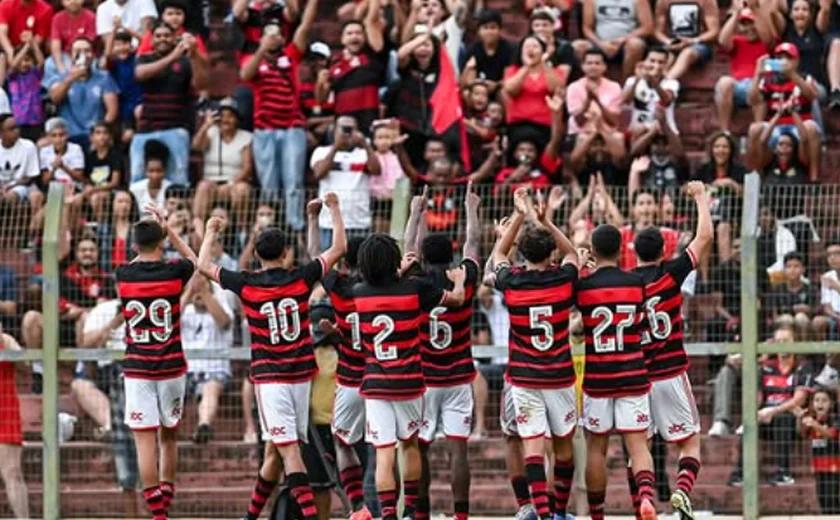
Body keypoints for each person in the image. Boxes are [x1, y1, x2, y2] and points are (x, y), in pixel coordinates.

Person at [196, 192, 347, 520]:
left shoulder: (246, 283)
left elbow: (203, 266)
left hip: (271, 377)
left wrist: (209, 232)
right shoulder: (301, 277)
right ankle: (251, 516)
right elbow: (337, 249)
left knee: (289, 450)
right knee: (275, 453)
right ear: (286, 253)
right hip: (301, 374)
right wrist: (333, 210)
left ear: (257, 256)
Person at [352, 233, 466, 520]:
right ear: (394, 260)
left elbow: (381, 284)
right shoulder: (414, 289)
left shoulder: (359, 292)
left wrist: (395, 271)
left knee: (383, 453)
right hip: (410, 383)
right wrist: (461, 281)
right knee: (410, 445)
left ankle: (389, 513)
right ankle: (412, 511)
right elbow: (457, 299)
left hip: (376, 385)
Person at [492, 187, 580, 520]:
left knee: (531, 444)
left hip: (524, 377)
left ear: (523, 255)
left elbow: (499, 255)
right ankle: (558, 512)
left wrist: (518, 216)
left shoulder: (512, 283)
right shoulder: (563, 279)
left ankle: (540, 513)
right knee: (563, 445)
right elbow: (572, 253)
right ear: (550, 255)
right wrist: (546, 221)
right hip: (559, 375)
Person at [631, 180, 712, 519]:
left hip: (638, 375)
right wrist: (700, 198)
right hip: (672, 371)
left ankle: (646, 498)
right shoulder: (672, 273)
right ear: (663, 251)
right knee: (690, 442)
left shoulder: (625, 282)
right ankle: (680, 491)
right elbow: (704, 237)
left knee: (641, 447)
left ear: (634, 253)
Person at [113, 204, 198, 520]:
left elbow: (137, 258)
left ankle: (158, 515)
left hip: (137, 368)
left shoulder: (124, 274)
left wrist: (153, 236)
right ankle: (167, 499)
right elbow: (195, 261)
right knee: (169, 437)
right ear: (161, 241)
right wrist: (169, 229)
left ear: (135, 245)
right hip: (172, 367)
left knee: (144, 441)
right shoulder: (174, 272)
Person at [403, 184, 481, 520]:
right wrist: (471, 208)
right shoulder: (463, 276)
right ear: (450, 255)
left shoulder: (415, 280)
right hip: (458, 376)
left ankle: (421, 515)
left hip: (424, 378)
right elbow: (474, 244)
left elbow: (408, 248)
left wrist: (414, 213)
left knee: (419, 449)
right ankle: (460, 515)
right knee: (457, 450)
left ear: (423, 257)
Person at [575, 223, 658, 520]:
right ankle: (646, 497)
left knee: (596, 448)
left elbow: (577, 324)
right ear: (623, 249)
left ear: (594, 251)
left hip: (598, 377)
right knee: (637, 445)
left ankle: (597, 514)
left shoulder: (583, 286)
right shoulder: (636, 283)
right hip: (633, 373)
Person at [241, 0, 318, 231]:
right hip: (264, 129)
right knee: (269, 185)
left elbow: (305, 26)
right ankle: (272, 228)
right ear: (261, 37)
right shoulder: (252, 57)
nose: (273, 37)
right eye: (268, 33)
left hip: (292, 128)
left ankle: (294, 228)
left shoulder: (291, 55)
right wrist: (262, 48)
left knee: (293, 182)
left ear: (283, 37)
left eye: (277, 33)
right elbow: (246, 74)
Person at [321, 236, 372, 520]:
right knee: (396, 445)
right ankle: (402, 509)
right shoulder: (383, 287)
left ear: (344, 261)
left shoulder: (339, 287)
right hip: (383, 375)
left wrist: (315, 220)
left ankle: (357, 507)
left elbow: (317, 257)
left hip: (351, 377)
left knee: (342, 440)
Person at [729, 327, 812, 486]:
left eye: (786, 341)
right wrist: (754, 414)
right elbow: (758, 398)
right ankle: (741, 473)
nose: (781, 345)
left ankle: (783, 472)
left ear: (794, 343)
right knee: (750, 423)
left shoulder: (803, 367)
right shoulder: (766, 366)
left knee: (783, 418)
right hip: (766, 417)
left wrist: (772, 411)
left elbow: (799, 400)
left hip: (790, 419)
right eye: (778, 341)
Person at [131, 22, 209, 186]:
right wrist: (173, 56)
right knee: (138, 179)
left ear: (174, 38)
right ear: (152, 40)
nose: (162, 39)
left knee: (177, 180)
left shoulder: (186, 62)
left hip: (176, 128)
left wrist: (194, 54)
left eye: (167, 35)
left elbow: (200, 84)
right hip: (146, 128)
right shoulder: (144, 58)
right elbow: (140, 74)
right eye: (158, 36)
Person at [747, 44, 821, 182]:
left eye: (788, 58)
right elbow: (752, 100)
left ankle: (814, 177)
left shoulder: (805, 77)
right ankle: (754, 178)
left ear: (796, 61)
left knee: (811, 128)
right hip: (775, 126)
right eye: (780, 57)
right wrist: (757, 75)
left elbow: (812, 96)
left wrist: (792, 75)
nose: (783, 61)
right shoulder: (767, 80)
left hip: (799, 125)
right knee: (755, 129)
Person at [311, 115, 381, 246]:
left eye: (351, 129)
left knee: (359, 263)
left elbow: (376, 170)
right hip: (328, 222)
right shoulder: (321, 151)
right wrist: (336, 147)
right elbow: (319, 173)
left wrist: (365, 144)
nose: (347, 133)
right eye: (344, 129)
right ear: (334, 130)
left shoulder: (363, 153)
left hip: (358, 221)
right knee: (329, 263)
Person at [182, 275, 234, 444]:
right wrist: (190, 290)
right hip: (185, 370)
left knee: (210, 388)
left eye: (203, 290)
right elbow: (168, 322)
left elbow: (224, 322)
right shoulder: (185, 311)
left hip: (214, 368)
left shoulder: (221, 305)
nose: (199, 295)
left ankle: (204, 425)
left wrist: (205, 293)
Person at [320, 3, 387, 133]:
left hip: (369, 121)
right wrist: (321, 82)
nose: (354, 36)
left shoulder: (373, 55)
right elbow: (322, 98)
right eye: (349, 33)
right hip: (343, 122)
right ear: (342, 39)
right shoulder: (333, 62)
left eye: (358, 33)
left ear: (365, 37)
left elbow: (371, 20)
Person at [44, 36, 119, 150]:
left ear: (93, 54)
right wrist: (71, 79)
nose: (83, 55)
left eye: (87, 51)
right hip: (68, 137)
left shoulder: (104, 77)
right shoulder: (61, 77)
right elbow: (55, 98)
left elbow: (112, 112)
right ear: (70, 55)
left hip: (94, 135)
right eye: (78, 51)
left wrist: (100, 135)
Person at [191, 98, 253, 228]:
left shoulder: (245, 137)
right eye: (223, 116)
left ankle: (241, 232)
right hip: (211, 183)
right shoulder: (212, 133)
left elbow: (247, 168)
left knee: (241, 190)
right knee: (203, 187)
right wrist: (206, 125)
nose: (226, 120)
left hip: (234, 182)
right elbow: (196, 146)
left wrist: (231, 184)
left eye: (230, 116)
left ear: (237, 119)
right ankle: (197, 230)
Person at [714, 6, 776, 132]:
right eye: (744, 25)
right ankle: (724, 133)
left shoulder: (766, 41)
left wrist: (756, 12)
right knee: (724, 82)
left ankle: (758, 131)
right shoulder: (737, 41)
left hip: (760, 86)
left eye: (751, 24)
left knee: (758, 86)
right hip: (738, 88)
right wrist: (736, 13)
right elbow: (722, 41)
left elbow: (769, 38)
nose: (749, 29)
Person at [691, 131, 745, 268]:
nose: (721, 150)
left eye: (725, 147)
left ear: (731, 150)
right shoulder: (704, 170)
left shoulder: (739, 171)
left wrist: (733, 184)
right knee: (705, 231)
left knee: (723, 227)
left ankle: (725, 273)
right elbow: (687, 188)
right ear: (712, 150)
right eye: (717, 146)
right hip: (707, 216)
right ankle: (704, 281)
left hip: (732, 218)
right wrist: (708, 187)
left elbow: (748, 194)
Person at [502, 34, 564, 150]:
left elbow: (556, 89)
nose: (531, 50)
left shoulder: (554, 71)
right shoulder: (513, 70)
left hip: (544, 124)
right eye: (527, 47)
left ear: (543, 51)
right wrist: (527, 67)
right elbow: (510, 90)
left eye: (535, 46)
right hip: (518, 123)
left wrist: (543, 64)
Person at [577, 0, 653, 78]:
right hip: (599, 42)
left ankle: (627, 84)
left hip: (626, 42)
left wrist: (623, 39)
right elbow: (587, 28)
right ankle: (585, 83)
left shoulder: (639, 1)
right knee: (579, 46)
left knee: (636, 45)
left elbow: (647, 27)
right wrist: (601, 44)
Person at [566, 49, 623, 152]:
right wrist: (588, 100)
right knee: (582, 139)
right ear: (583, 66)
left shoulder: (615, 87)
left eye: (597, 63)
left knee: (619, 138)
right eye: (589, 63)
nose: (593, 66)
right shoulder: (573, 87)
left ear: (604, 67)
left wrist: (597, 101)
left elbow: (614, 122)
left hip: (606, 133)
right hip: (580, 132)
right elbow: (579, 122)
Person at [653, 0, 719, 80]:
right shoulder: (662, 1)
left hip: (698, 43)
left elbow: (714, 31)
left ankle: (666, 82)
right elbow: (657, 31)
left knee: (687, 53)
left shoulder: (707, 1)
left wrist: (692, 41)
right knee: (664, 56)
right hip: (672, 42)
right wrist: (669, 42)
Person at [0, 326, 27, 519]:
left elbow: (26, 365)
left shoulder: (6, 340)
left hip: (4, 409)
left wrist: (8, 345)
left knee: (13, 472)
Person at [799, 386, 840, 514]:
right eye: (817, 400)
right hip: (818, 466)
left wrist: (815, 425)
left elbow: (832, 434)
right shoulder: (812, 418)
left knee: (832, 498)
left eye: (824, 400)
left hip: (834, 466)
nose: (820, 403)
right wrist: (800, 419)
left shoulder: (834, 418)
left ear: (831, 403)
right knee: (821, 498)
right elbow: (802, 434)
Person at [766, 252, 821, 340]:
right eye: (788, 266)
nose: (792, 270)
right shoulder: (777, 289)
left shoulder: (811, 289)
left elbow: (817, 309)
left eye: (796, 266)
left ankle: (802, 352)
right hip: (783, 323)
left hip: (806, 325)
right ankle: (786, 351)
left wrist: (809, 310)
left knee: (801, 318)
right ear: (784, 269)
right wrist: (792, 309)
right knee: (786, 319)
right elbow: (773, 313)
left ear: (803, 269)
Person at [460, 9, 514, 95]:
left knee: (504, 92)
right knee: (466, 93)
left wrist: (496, 85)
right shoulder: (472, 50)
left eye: (493, 27)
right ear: (479, 31)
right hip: (478, 90)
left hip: (500, 88)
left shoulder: (509, 49)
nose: (489, 32)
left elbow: (510, 79)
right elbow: (464, 84)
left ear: (499, 30)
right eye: (485, 28)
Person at [7, 33, 44, 142]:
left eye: (27, 60)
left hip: (35, 120)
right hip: (19, 120)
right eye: (21, 60)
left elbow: (41, 62)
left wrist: (33, 44)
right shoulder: (13, 77)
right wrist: (27, 46)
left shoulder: (35, 74)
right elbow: (14, 65)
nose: (24, 63)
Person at [49, 0, 95, 72]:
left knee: (94, 67)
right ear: (62, 2)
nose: (73, 1)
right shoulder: (57, 18)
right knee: (49, 64)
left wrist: (78, 61)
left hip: (84, 53)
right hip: (66, 54)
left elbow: (89, 44)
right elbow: (55, 45)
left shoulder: (91, 17)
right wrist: (60, 67)